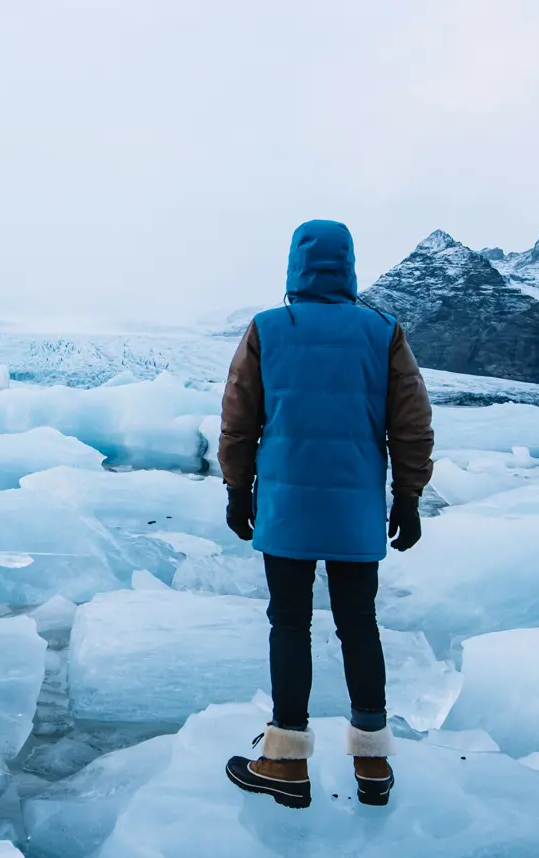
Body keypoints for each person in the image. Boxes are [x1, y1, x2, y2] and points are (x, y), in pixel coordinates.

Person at [216, 219, 435, 809]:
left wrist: (239, 490)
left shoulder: (268, 329)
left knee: (289, 623)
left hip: (286, 506)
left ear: (295, 264)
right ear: (349, 265)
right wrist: (408, 497)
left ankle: (285, 761)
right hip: (355, 507)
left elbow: (240, 420)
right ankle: (372, 761)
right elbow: (410, 425)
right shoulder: (381, 331)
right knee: (358, 624)